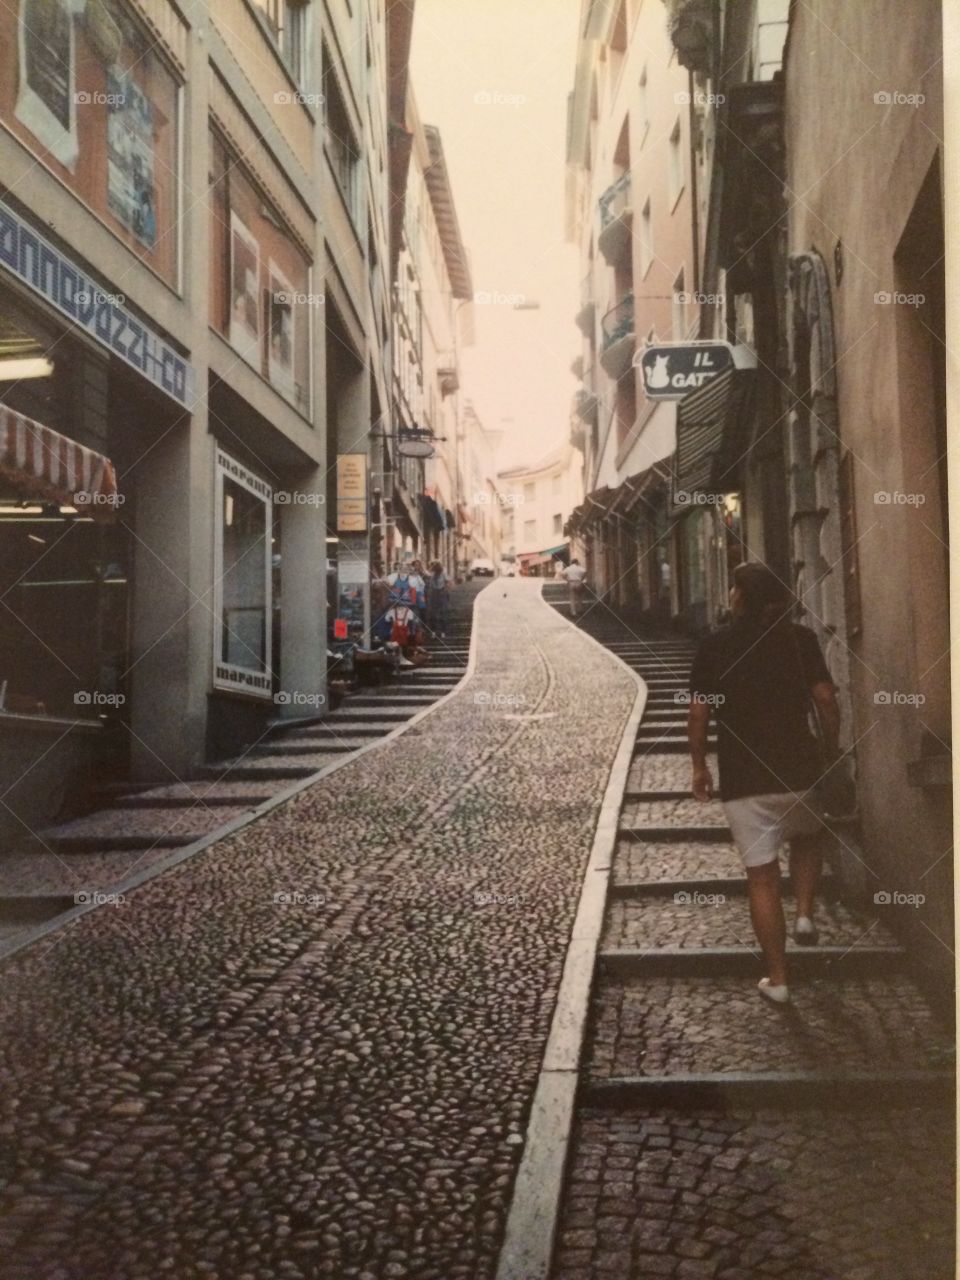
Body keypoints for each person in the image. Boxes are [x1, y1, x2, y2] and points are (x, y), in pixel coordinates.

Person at [687, 561, 840, 1005]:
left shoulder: (714, 646)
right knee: (809, 835)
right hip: (799, 768)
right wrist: (832, 744)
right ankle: (807, 914)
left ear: (740, 596)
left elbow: (698, 714)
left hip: (744, 780)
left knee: (762, 880)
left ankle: (778, 978)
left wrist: (700, 767)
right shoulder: (800, 640)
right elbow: (825, 699)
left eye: (734, 587)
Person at [425, 560, 451, 638]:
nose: (434, 567)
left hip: (441, 592)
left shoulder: (443, 573)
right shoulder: (431, 574)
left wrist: (445, 590)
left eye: (435, 565)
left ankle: (443, 632)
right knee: (433, 614)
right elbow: (427, 578)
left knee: (442, 613)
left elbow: (448, 582)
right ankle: (433, 631)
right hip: (434, 593)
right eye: (433, 565)